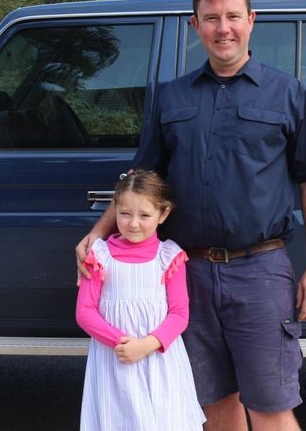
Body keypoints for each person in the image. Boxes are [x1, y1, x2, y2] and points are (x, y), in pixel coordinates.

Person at [77, 0, 306, 431]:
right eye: (212, 18)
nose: (223, 28)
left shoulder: (287, 93)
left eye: (233, 16)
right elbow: (142, 181)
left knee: (271, 407)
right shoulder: (171, 96)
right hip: (186, 274)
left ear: (251, 21)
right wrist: (98, 234)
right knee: (212, 405)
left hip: (259, 272)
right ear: (195, 25)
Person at [76, 169, 206, 431]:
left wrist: (147, 344)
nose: (133, 223)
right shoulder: (100, 254)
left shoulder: (169, 256)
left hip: (159, 361)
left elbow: (179, 313)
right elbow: (85, 311)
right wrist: (122, 343)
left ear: (163, 214)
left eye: (144, 215)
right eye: (125, 213)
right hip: (115, 361)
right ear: (116, 209)